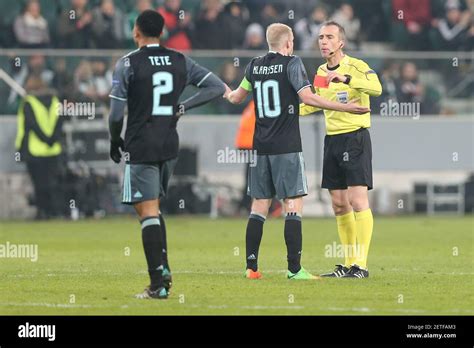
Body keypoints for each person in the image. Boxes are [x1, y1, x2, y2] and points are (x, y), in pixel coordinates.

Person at [224, 23, 369, 280]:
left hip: (260, 147)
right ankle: (294, 269)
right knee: (293, 205)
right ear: (288, 43)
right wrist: (343, 107)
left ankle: (252, 268)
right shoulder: (292, 64)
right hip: (286, 146)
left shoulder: (253, 66)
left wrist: (225, 91)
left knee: (259, 206)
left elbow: (236, 98)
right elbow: (309, 98)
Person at [108, 10, 225, 299]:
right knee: (153, 209)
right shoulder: (179, 59)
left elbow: (115, 113)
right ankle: (164, 270)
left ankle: (158, 285)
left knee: (146, 212)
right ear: (161, 32)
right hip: (170, 145)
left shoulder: (127, 63)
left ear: (136, 32)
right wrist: (183, 107)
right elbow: (217, 87)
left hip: (141, 144)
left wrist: (114, 139)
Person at [300, 21, 382, 278]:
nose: (323, 41)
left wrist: (346, 78)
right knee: (338, 204)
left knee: (357, 201)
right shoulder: (321, 71)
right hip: (332, 140)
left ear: (341, 42)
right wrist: (290, 111)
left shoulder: (356, 65)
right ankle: (348, 264)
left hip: (355, 138)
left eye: (329, 37)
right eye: (321, 37)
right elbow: (317, 103)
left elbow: (377, 88)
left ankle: (361, 265)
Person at [15, 77, 63, 220]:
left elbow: (32, 124)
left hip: (34, 150)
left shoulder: (29, 103)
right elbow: (59, 124)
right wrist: (50, 140)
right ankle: (53, 211)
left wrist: (43, 139)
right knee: (51, 183)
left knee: (39, 184)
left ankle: (42, 212)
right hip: (53, 149)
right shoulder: (56, 102)